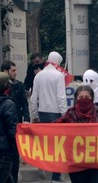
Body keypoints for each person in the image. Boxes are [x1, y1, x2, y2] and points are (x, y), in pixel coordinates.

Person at [55, 85, 98, 183]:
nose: (84, 100)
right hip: (77, 162)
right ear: (76, 99)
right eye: (81, 97)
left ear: (92, 98)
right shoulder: (69, 114)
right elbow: (52, 127)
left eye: (87, 97)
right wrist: (30, 128)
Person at [29, 52, 68, 182]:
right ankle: (56, 176)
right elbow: (61, 98)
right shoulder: (59, 76)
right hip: (56, 113)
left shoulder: (39, 76)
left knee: (45, 143)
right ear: (58, 62)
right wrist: (65, 116)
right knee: (58, 145)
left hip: (42, 112)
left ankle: (43, 166)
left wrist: (34, 115)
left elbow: (34, 98)